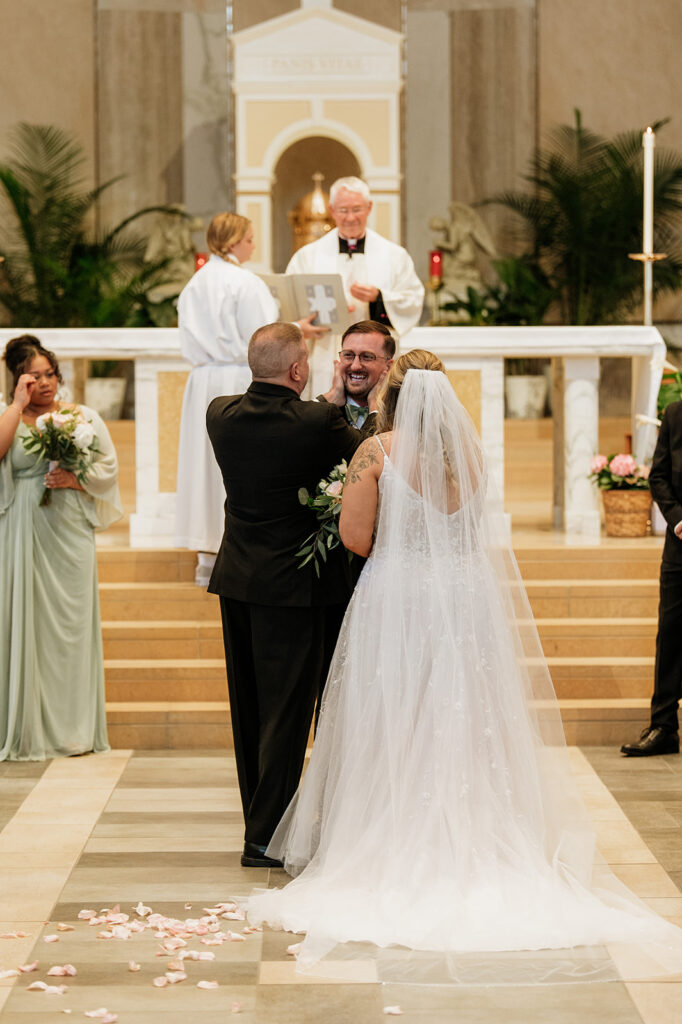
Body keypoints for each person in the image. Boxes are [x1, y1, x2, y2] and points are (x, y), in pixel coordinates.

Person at [247, 350, 682, 983]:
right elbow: (468, 530)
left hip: (398, 597)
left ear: (393, 394)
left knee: (396, 713)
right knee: (464, 715)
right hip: (463, 595)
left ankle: (392, 837)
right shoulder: (472, 455)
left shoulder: (377, 452)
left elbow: (357, 538)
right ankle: (476, 834)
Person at [206, 322, 364, 868]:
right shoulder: (320, 421)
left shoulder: (219, 413)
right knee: (287, 712)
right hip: (293, 588)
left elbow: (284, 426)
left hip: (238, 582)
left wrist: (324, 402)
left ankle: (258, 824)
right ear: (298, 369)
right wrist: (338, 402)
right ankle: (266, 838)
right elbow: (365, 458)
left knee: (249, 706)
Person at [175, 212, 327, 585]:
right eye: (249, 238)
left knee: (205, 465)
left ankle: (204, 556)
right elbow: (264, 339)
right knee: (236, 466)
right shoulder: (245, 282)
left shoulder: (194, 284)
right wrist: (298, 330)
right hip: (237, 377)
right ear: (232, 242)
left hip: (203, 382)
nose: (253, 244)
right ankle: (230, 549)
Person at [0, 335, 122, 761]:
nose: (45, 383)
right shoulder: (7, 416)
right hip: (22, 533)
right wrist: (16, 404)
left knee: (70, 632)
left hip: (69, 533)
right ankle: (27, 729)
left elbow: (107, 468)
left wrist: (77, 479)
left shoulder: (81, 417)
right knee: (26, 627)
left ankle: (73, 730)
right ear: (16, 380)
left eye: (49, 374)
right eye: (33, 377)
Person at [286, 177, 424, 338]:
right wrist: (307, 323)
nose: (350, 218)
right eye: (343, 210)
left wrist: (378, 298)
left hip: (376, 352)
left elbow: (413, 300)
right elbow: (290, 301)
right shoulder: (307, 256)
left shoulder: (395, 255)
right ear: (332, 211)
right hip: (326, 349)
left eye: (357, 209)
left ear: (369, 208)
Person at [622, 401, 682, 757]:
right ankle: (663, 726)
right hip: (680, 546)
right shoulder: (675, 414)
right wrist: (677, 519)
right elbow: (658, 475)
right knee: (671, 634)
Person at [318, 320, 395, 440]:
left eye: (367, 357)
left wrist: (375, 407)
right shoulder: (321, 413)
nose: (355, 366)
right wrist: (331, 397)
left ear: (388, 366)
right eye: (348, 355)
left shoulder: (400, 414)